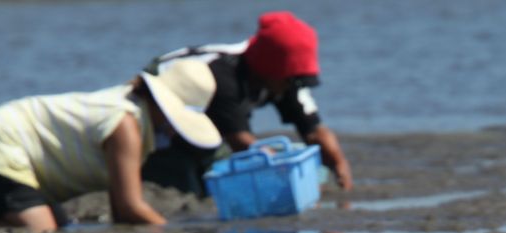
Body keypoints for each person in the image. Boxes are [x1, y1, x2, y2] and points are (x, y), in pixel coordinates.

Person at [0, 61, 221, 233]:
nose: (174, 130)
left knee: (62, 226)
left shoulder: (131, 113)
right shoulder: (125, 123)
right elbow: (130, 207)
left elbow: (121, 213)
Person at [141, 11, 353, 197]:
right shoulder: (223, 76)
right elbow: (241, 143)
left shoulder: (283, 81)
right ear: (270, 71)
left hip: (199, 126)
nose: (293, 87)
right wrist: (286, 179)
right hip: (157, 120)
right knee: (190, 180)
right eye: (291, 81)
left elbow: (314, 130)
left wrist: (338, 164)